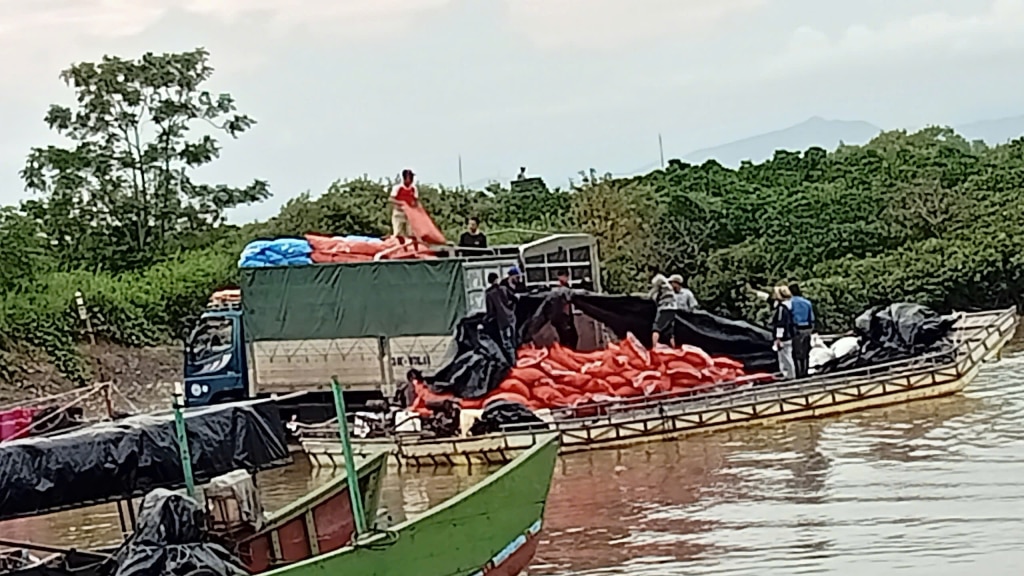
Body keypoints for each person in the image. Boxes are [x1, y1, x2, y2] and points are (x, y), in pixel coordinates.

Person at [487, 270, 518, 361]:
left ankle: (512, 362)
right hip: (511, 317)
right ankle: (518, 359)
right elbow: (515, 298)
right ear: (497, 279)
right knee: (513, 340)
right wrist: (511, 308)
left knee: (506, 343)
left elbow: (491, 310)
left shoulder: (489, 293)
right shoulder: (504, 288)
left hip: (501, 320)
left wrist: (486, 320)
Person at [788, 282, 815, 378]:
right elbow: (811, 318)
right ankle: (806, 371)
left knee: (796, 352)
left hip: (796, 329)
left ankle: (799, 373)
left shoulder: (790, 303)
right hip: (807, 328)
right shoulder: (807, 302)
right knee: (806, 352)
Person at [771, 285, 797, 379]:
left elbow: (780, 323)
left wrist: (778, 338)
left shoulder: (782, 308)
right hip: (789, 335)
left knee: (785, 357)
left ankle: (789, 375)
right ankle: (789, 374)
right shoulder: (789, 306)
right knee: (786, 356)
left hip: (784, 337)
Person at [648, 273, 677, 346]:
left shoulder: (661, 287)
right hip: (673, 310)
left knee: (656, 328)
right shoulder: (670, 288)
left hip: (664, 309)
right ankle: (674, 349)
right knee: (669, 332)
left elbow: (650, 296)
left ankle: (654, 348)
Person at [390, 169, 419, 239]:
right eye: (410, 178)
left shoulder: (414, 189)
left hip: (409, 214)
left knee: (410, 233)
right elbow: (391, 199)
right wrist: (401, 203)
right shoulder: (398, 188)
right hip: (399, 213)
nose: (412, 180)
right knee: (398, 233)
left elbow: (416, 201)